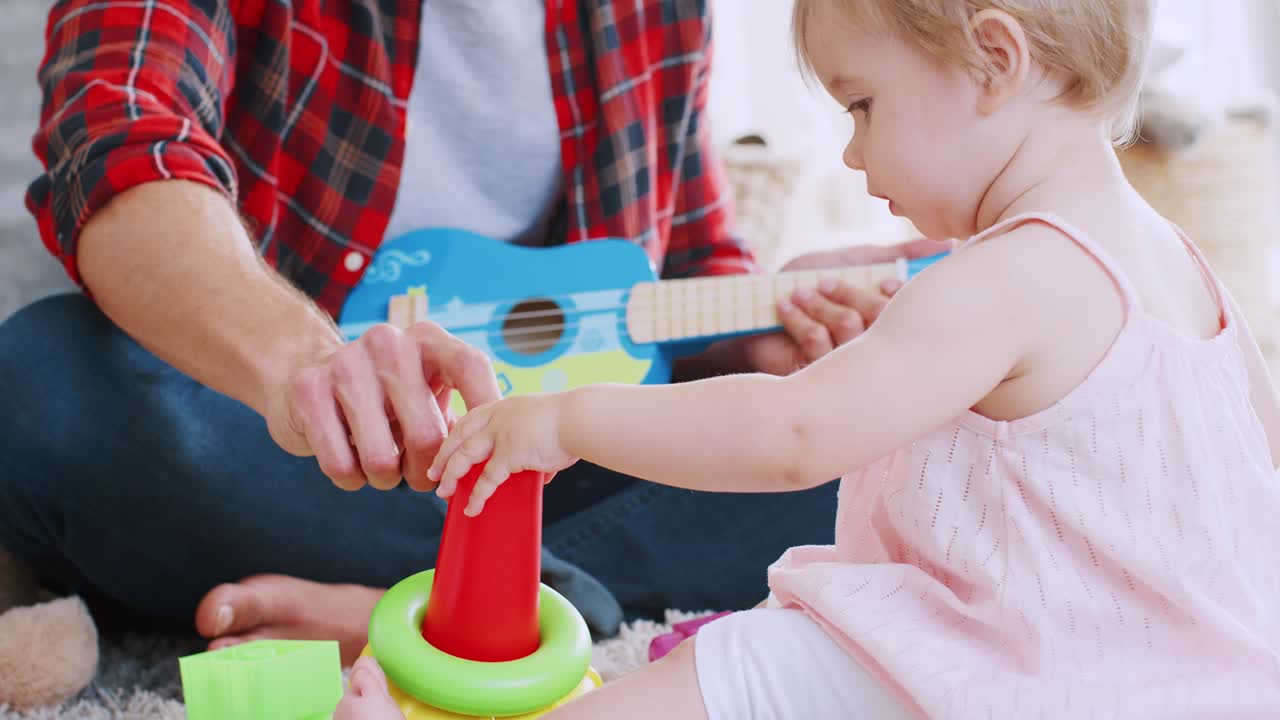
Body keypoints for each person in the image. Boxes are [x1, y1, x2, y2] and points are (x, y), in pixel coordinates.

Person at [333, 0, 1280, 718]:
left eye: (863, 105)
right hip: (1203, 688)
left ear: (995, 59)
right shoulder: (1191, 271)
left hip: (1016, 676)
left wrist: (566, 417)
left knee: (738, 666)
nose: (855, 154)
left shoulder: (1008, 274)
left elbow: (791, 434)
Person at [0, 0, 941, 664]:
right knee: (40, 386)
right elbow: (119, 135)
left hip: (558, 457)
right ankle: (537, 600)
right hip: (306, 457)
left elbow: (687, 258)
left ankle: (446, 604)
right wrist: (308, 368)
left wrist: (766, 334)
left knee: (897, 441)